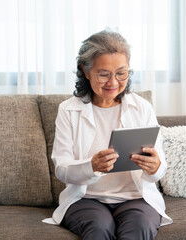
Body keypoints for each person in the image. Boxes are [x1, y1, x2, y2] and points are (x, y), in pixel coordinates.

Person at [44, 30, 172, 239]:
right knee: (99, 228)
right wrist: (91, 167)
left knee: (139, 227)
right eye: (103, 74)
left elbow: (160, 168)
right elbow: (62, 169)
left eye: (121, 73)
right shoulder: (68, 110)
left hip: (135, 198)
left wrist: (155, 167)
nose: (113, 82)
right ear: (85, 71)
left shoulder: (142, 108)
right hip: (86, 200)